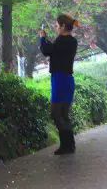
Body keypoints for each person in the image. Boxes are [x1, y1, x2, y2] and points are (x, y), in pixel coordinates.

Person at [40, 14, 79, 154]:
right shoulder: (72, 41)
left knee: (56, 113)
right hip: (67, 79)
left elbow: (47, 50)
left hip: (60, 79)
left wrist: (42, 38)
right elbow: (54, 50)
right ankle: (69, 144)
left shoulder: (62, 40)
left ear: (63, 26)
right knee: (63, 113)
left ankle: (66, 145)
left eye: (57, 26)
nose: (56, 28)